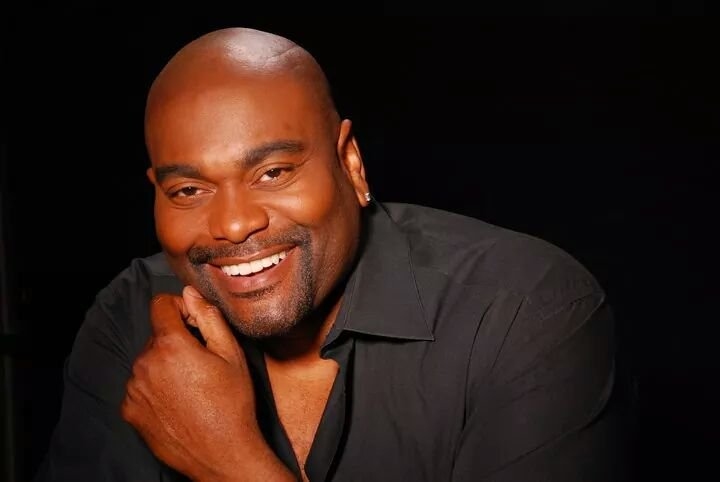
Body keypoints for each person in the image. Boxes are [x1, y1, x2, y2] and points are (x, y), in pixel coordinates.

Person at [35, 27, 632, 481]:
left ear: (351, 164)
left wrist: (233, 463)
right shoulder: (130, 315)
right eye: (189, 190)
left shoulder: (524, 310)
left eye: (273, 172)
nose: (234, 223)